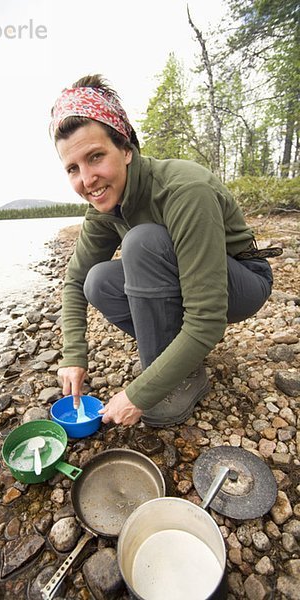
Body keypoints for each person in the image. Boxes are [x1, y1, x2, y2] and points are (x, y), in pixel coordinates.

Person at [50, 74, 277, 428]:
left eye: (96, 157)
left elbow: (207, 316)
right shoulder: (103, 207)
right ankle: (179, 361)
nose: (87, 179)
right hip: (187, 280)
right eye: (73, 169)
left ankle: (183, 377)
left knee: (142, 242)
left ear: (126, 150)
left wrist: (140, 395)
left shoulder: (184, 189)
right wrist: (73, 355)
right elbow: (75, 282)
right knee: (97, 281)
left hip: (242, 280)